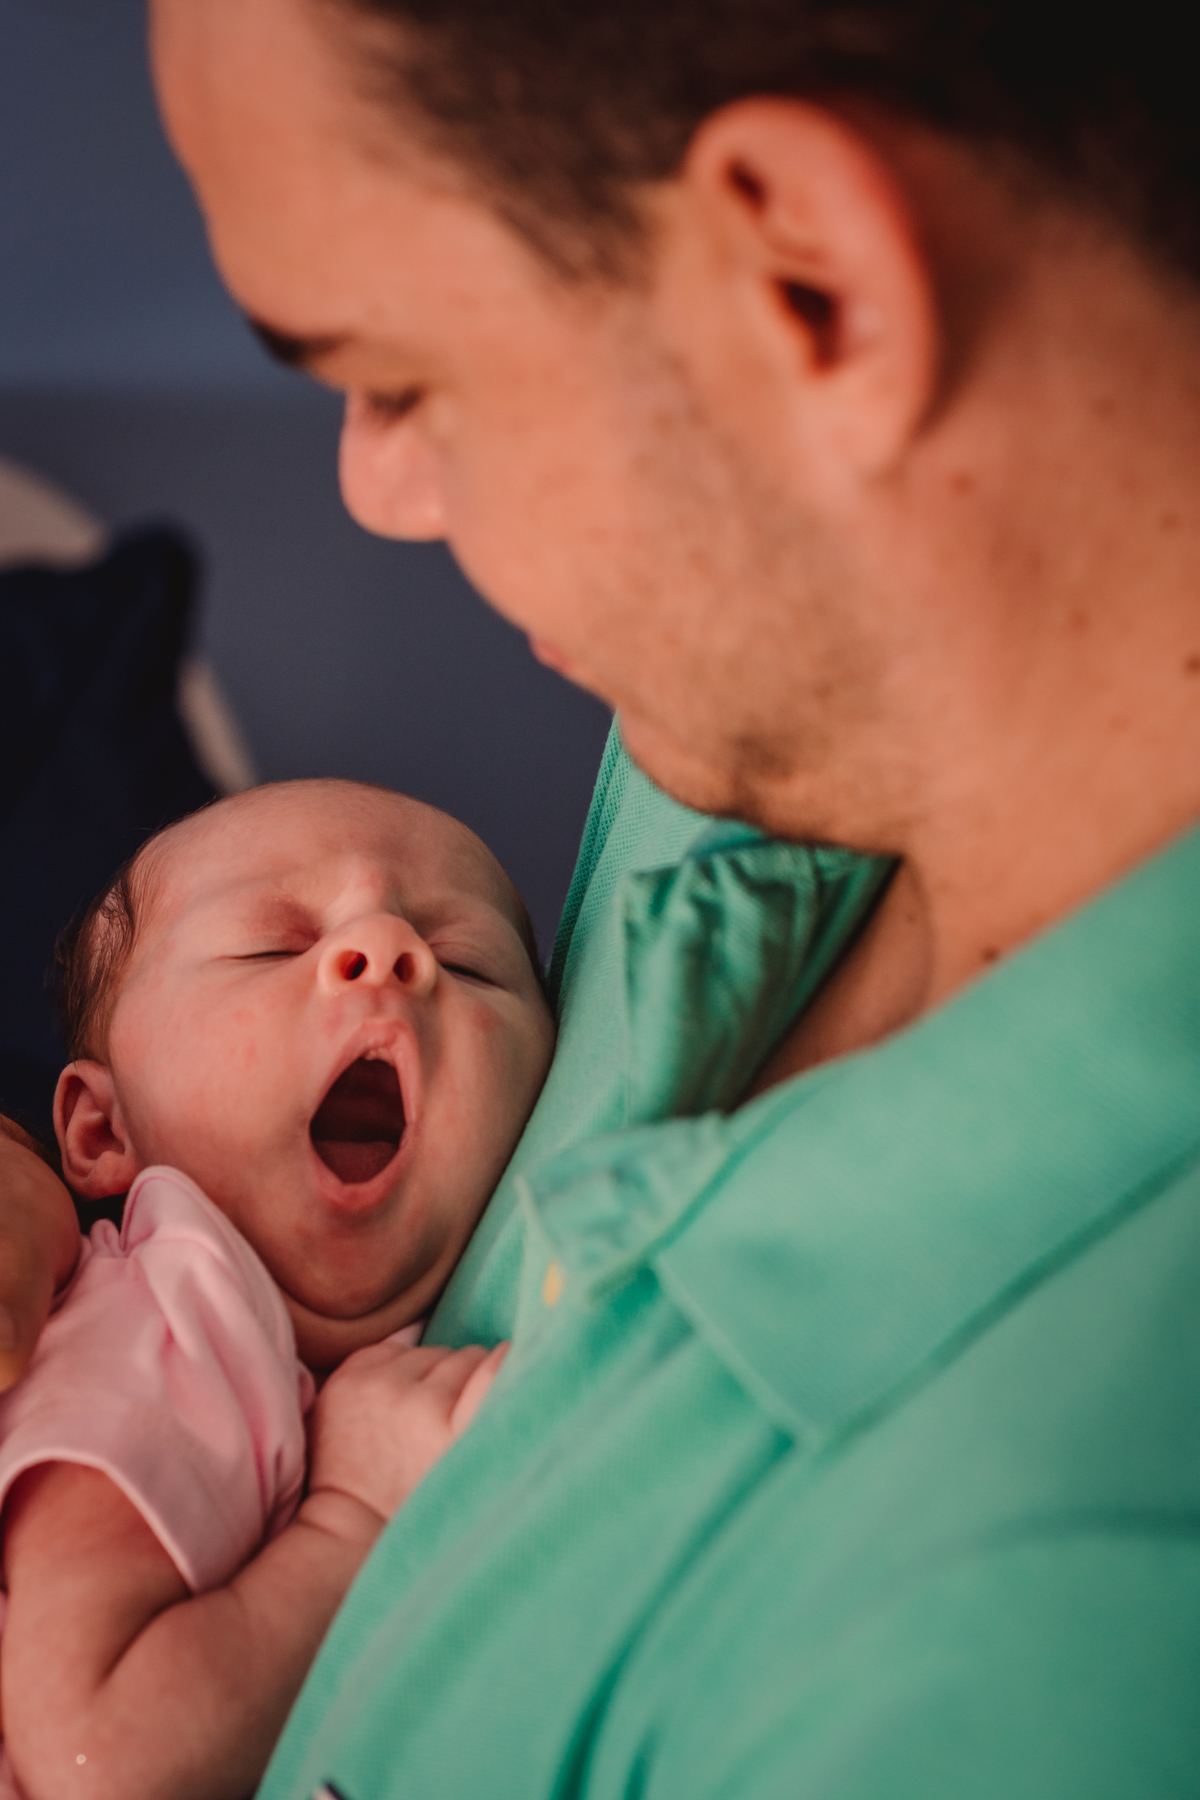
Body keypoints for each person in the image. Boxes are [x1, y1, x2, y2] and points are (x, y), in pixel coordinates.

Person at [4, 0, 1200, 1791]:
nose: (374, 486)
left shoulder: (1012, 1638)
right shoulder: (748, 703)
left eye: (398, 375)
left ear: (810, 286)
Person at [0, 779, 554, 1800]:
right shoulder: (169, 1314)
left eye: (470, 964)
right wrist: (353, 1515)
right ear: (100, 1132)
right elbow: (102, 1760)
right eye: (270, 945)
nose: (388, 948)